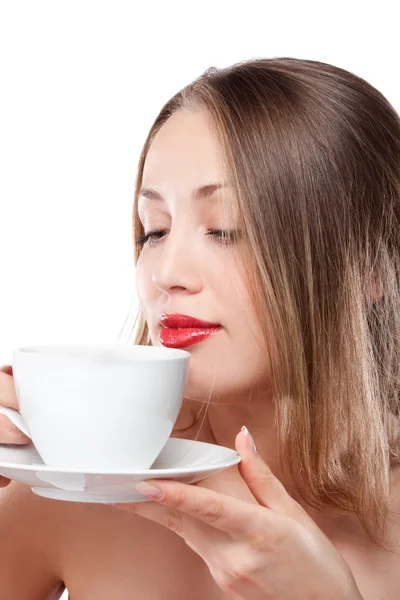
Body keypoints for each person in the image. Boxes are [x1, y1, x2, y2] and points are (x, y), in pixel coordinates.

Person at [0, 56, 399, 599]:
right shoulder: (71, 492)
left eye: (226, 229)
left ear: (371, 267)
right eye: (154, 231)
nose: (166, 275)